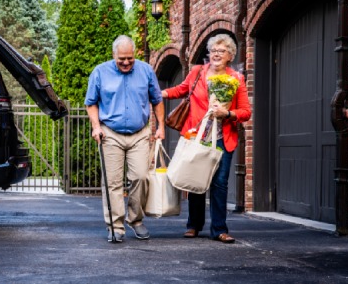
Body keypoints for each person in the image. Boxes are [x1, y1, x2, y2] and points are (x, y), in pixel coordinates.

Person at [162, 34, 251, 243]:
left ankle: (219, 229)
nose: (216, 54)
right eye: (213, 51)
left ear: (230, 55)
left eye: (222, 51)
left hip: (222, 137)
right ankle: (194, 225)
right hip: (197, 134)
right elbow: (181, 90)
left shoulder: (236, 79)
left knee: (219, 183)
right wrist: (160, 93)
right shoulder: (197, 72)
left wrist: (227, 114)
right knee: (196, 179)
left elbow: (246, 111)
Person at [85, 35, 165, 242]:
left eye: (130, 58)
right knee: (112, 182)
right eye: (122, 59)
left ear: (135, 54)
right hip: (110, 133)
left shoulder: (146, 70)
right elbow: (91, 102)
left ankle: (136, 220)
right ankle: (115, 226)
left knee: (140, 177)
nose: (126, 62)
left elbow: (157, 100)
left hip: (139, 134)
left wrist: (161, 126)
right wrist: (96, 127)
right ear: (114, 56)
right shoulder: (100, 72)